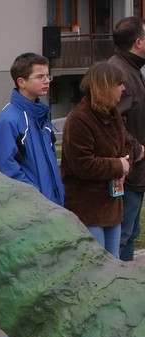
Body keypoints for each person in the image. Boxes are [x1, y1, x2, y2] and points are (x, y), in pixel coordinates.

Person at [0, 52, 65, 337]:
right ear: (21, 81)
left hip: (49, 210)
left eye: (48, 75)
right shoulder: (9, 119)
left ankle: (39, 335)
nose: (46, 80)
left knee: (46, 277)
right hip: (26, 215)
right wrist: (34, 202)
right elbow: (7, 170)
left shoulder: (41, 117)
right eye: (39, 76)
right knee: (24, 278)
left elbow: (48, 166)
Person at [61, 61, 132, 258]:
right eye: (119, 84)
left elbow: (127, 145)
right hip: (88, 207)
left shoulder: (113, 113)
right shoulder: (79, 118)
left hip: (112, 205)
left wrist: (124, 166)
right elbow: (82, 164)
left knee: (112, 264)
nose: (123, 88)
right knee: (96, 267)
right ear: (106, 87)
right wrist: (118, 166)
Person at [107, 17, 145, 261]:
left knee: (130, 233)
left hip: (134, 170)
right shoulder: (119, 72)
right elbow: (112, 120)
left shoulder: (131, 69)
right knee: (123, 235)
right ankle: (117, 293)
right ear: (139, 42)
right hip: (126, 170)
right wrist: (137, 147)